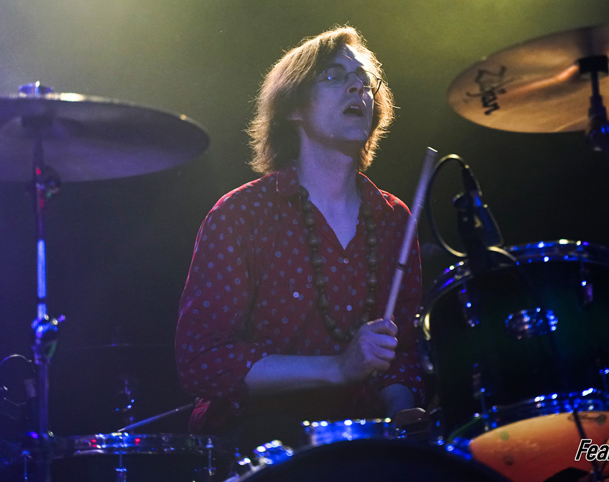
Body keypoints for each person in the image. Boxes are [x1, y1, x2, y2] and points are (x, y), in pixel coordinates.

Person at [175, 26, 424, 454]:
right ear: (293, 108)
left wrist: (403, 412)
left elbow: (399, 357)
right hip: (257, 443)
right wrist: (337, 368)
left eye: (365, 81)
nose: (356, 88)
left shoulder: (393, 219)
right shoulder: (242, 215)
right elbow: (203, 360)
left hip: (361, 442)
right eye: (333, 76)